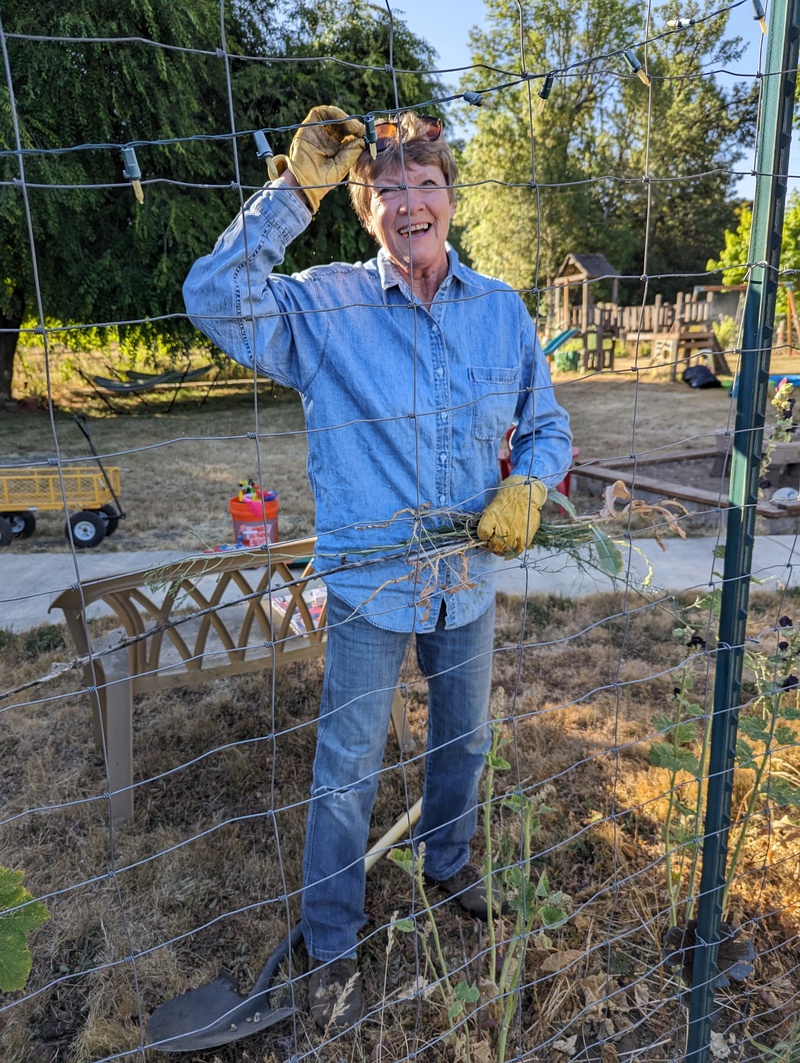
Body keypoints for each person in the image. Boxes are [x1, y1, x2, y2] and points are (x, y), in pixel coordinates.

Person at [183, 106, 572, 1032]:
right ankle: (331, 938)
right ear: (363, 210)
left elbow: (547, 422)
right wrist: (293, 192)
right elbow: (212, 296)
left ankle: (448, 863)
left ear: (450, 197)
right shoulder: (323, 308)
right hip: (367, 585)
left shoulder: (502, 311)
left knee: (464, 741)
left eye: (425, 185)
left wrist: (532, 478)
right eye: (386, 190)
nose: (410, 205)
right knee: (347, 768)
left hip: (468, 578)